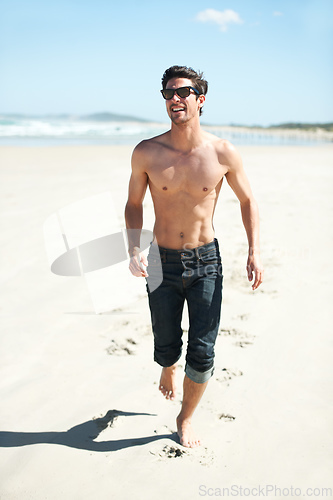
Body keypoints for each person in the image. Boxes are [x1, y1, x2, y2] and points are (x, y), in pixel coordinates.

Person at [124, 65, 263, 448]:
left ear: (200, 100)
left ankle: (185, 418)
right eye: (168, 93)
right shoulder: (147, 152)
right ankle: (168, 366)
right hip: (159, 261)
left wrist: (253, 251)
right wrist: (134, 247)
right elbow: (133, 203)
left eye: (183, 92)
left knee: (202, 353)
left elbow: (247, 200)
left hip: (206, 263)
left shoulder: (222, 152)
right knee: (166, 343)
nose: (175, 99)